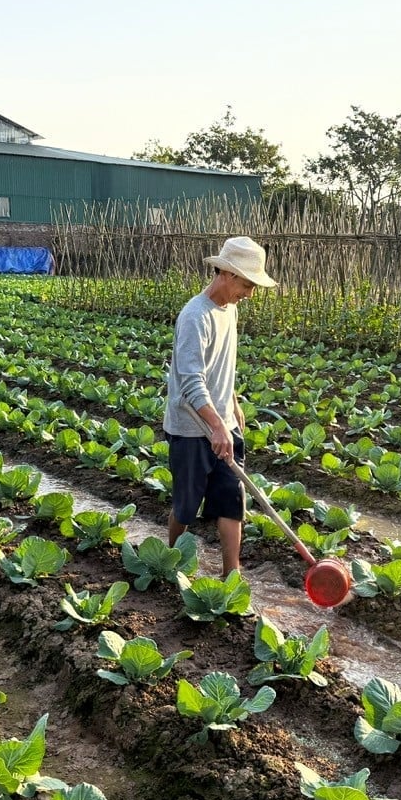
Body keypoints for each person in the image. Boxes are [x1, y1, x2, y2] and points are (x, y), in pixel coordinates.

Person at [163, 236, 277, 577]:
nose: (250, 293)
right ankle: (169, 560)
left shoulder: (231, 311)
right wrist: (215, 425)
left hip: (223, 422)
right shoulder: (195, 316)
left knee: (231, 499)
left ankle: (232, 575)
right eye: (246, 284)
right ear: (225, 273)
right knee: (186, 505)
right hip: (190, 428)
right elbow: (191, 381)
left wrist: (233, 402)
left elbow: (222, 366)